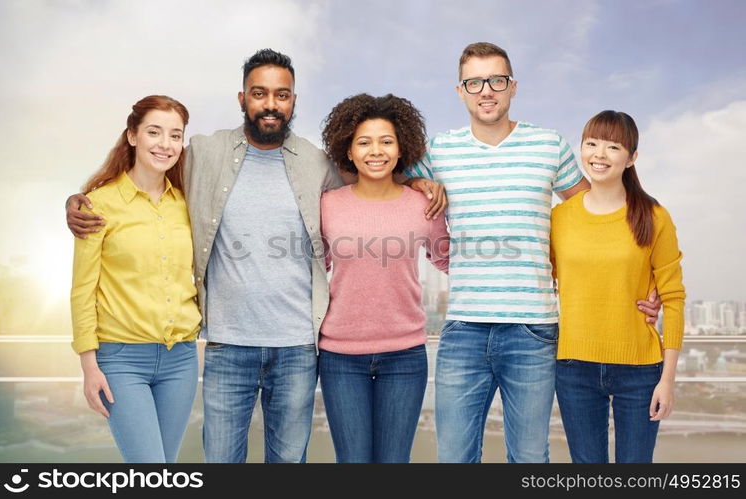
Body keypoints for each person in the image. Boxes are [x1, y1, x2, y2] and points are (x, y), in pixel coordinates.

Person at [66, 49, 447, 463]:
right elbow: (148, 167)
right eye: (259, 93)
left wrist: (419, 183)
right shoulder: (203, 154)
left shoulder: (317, 164)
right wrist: (81, 197)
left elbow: (372, 176)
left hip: (298, 348)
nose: (270, 104)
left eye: (281, 95)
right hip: (227, 346)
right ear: (242, 98)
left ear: (293, 102)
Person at [404, 42, 661, 463]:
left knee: (527, 459)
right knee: (452, 458)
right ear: (460, 91)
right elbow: (393, 184)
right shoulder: (439, 151)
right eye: (475, 82)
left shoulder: (549, 144)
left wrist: (643, 282)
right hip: (463, 328)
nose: (486, 90)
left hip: (534, 330)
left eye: (497, 80)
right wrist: (420, 183)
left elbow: (597, 213)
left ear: (512, 86)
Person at [318, 94, 449, 462]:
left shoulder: (423, 204)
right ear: (349, 150)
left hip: (404, 356)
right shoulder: (327, 204)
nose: (376, 151)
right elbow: (313, 267)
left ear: (401, 147)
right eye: (364, 141)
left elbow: (449, 260)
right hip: (340, 355)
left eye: (386, 141)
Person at [70, 95, 200, 463]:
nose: (165, 144)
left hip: (182, 360)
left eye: (176, 136)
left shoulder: (187, 204)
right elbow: (82, 290)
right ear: (132, 136)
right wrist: (88, 366)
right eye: (154, 132)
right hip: (121, 361)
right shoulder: (98, 205)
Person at [550, 110, 684, 463]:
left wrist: (667, 380)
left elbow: (674, 299)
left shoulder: (655, 217)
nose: (599, 154)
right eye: (591, 144)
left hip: (640, 371)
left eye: (613, 147)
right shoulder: (559, 218)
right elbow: (539, 278)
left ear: (631, 158)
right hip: (573, 367)